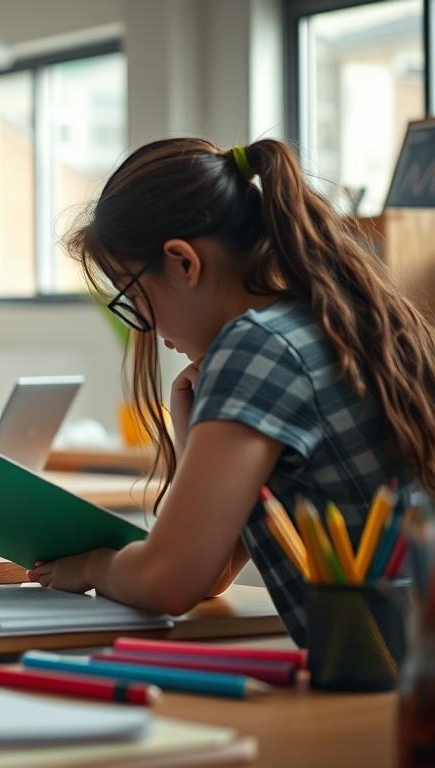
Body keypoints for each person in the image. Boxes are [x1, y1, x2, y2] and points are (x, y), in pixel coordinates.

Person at [27, 138, 435, 647]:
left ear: (182, 263)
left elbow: (169, 580)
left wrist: (91, 566)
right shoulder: (333, 319)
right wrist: (195, 434)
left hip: (397, 686)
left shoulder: (257, 346)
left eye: (135, 298)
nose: (150, 331)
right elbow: (208, 572)